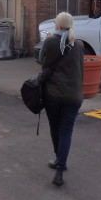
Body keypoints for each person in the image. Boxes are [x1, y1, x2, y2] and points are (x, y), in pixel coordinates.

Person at [39, 12, 84, 187]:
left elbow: (41, 60)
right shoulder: (78, 44)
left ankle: (58, 159)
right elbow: (80, 69)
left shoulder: (50, 41)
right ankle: (61, 166)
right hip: (73, 95)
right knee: (66, 131)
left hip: (53, 94)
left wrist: (48, 42)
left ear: (57, 25)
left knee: (55, 128)